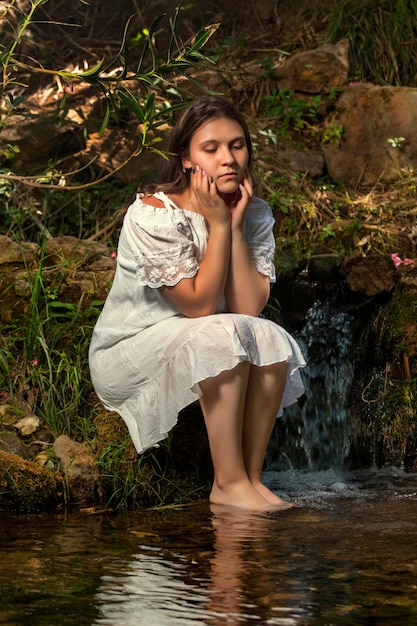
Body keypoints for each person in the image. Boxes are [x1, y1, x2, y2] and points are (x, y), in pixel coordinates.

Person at [89, 95, 305, 511]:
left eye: (237, 145)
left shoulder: (254, 212)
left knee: (271, 337)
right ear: (186, 158)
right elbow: (200, 307)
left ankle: (251, 479)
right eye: (211, 149)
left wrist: (237, 224)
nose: (228, 159)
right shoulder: (154, 214)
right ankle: (226, 485)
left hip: (203, 336)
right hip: (133, 350)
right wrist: (219, 224)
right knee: (219, 334)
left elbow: (247, 308)